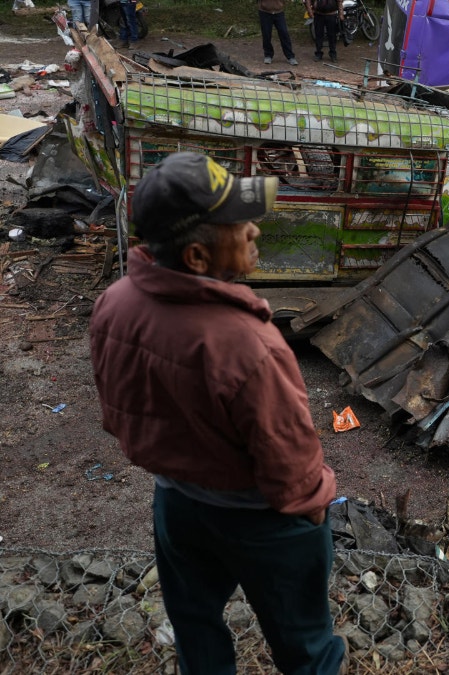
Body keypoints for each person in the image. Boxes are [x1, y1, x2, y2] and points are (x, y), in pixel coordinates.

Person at [89, 152, 345, 675]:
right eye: (238, 223)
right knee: (307, 647)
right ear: (200, 258)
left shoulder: (114, 304)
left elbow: (118, 412)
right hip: (264, 524)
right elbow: (290, 458)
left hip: (177, 507)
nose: (254, 228)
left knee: (195, 629)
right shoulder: (248, 345)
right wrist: (313, 506)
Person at [259, 0, 299, 66]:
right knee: (266, 34)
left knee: (284, 33)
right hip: (265, 12)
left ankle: (290, 56)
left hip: (279, 12)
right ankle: (268, 55)